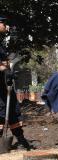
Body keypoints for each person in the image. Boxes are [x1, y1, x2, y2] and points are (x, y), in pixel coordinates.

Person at [0, 16, 33, 150]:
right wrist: (4, 71)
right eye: (3, 22)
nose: (5, 25)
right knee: (2, 111)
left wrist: (7, 71)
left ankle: (21, 140)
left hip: (3, 84)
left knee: (13, 109)